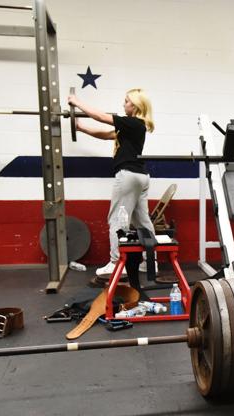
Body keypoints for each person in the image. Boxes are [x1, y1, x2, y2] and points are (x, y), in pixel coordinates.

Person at [68, 88, 156, 277]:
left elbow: (101, 117)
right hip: (141, 177)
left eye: (126, 101)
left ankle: (117, 263)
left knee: (116, 218)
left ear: (136, 105)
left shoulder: (133, 122)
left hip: (128, 176)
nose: (123, 104)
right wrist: (81, 128)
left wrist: (76, 102)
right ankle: (150, 262)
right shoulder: (132, 127)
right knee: (142, 220)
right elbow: (106, 134)